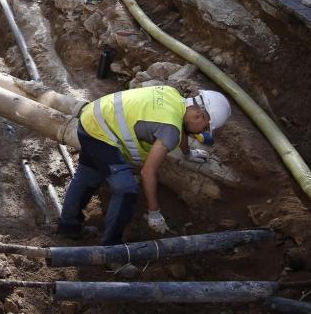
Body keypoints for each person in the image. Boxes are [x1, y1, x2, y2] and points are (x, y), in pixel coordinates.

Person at [58, 87, 231, 248]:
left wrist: (188, 154)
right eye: (206, 126)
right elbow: (148, 172)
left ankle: (68, 227)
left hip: (92, 118)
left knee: (88, 174)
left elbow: (184, 129)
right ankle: (111, 250)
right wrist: (154, 211)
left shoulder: (173, 96)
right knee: (126, 188)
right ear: (199, 115)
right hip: (101, 134)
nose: (204, 132)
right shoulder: (171, 129)